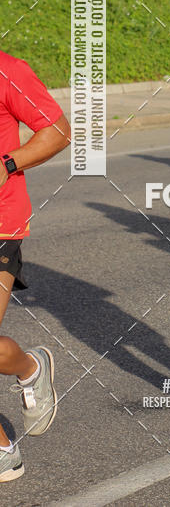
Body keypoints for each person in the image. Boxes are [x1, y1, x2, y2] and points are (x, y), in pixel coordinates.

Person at [0, 50, 70, 481]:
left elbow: (58, 129)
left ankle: (3, 451)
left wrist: (8, 163)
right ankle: (30, 366)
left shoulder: (8, 69)